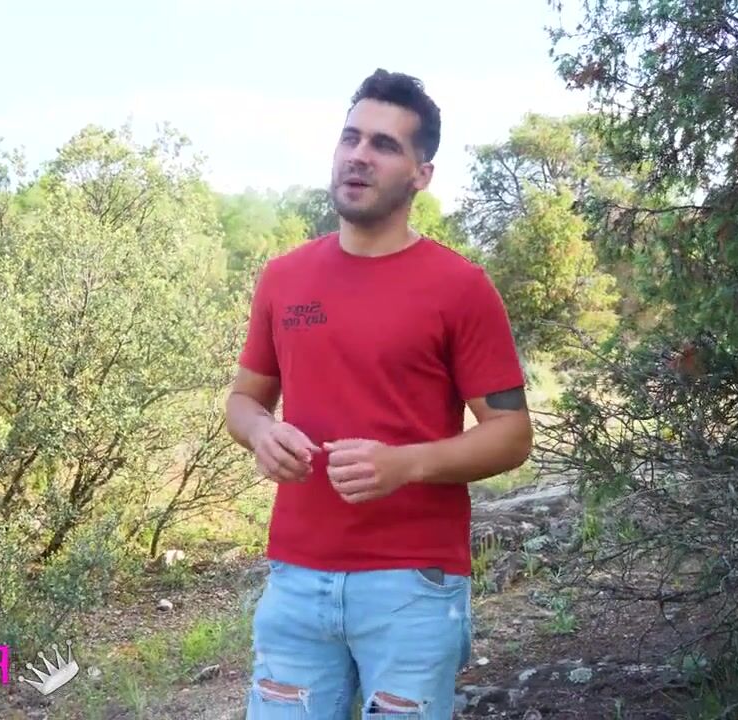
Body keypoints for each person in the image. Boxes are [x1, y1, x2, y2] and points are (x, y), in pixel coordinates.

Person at [226, 68, 533, 720]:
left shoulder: (461, 287)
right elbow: (243, 402)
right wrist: (261, 433)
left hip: (413, 586)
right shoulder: (284, 278)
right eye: (351, 137)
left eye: (385, 145)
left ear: (422, 174)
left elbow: (511, 434)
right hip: (295, 579)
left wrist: (405, 464)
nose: (359, 155)